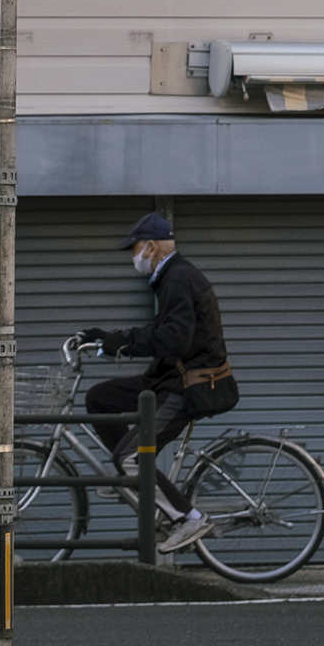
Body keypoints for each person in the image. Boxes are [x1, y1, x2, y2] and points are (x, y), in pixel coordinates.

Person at [75, 209, 238, 553]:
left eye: (134, 249)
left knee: (130, 457)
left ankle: (189, 518)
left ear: (151, 247)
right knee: (100, 398)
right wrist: (108, 338)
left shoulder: (178, 279)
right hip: (169, 377)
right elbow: (164, 333)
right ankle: (133, 477)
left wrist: (122, 342)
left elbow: (173, 339)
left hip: (188, 386)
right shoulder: (172, 277)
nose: (132, 257)